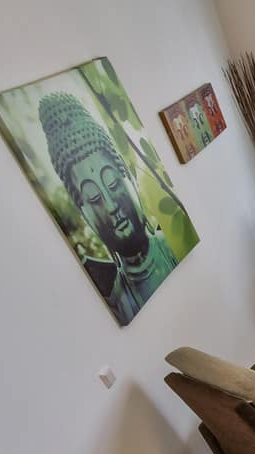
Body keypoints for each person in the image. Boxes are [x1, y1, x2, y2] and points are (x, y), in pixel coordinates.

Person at [38, 91, 177, 323]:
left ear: (129, 179)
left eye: (112, 183)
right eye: (93, 198)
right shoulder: (120, 302)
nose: (111, 206)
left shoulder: (174, 244)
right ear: (85, 215)